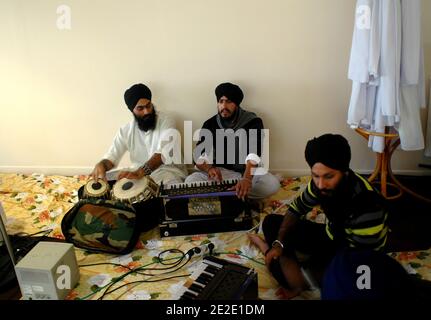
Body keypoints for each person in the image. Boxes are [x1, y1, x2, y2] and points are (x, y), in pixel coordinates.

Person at [248, 133, 388, 298]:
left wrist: (306, 276)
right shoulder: (319, 185)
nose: (321, 184)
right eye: (315, 176)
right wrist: (279, 243)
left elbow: (361, 261)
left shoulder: (367, 206)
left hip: (356, 256)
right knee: (271, 222)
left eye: (329, 176)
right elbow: (296, 208)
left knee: (295, 278)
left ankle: (270, 253)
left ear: (344, 172)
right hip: (331, 235)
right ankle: (280, 257)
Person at [185, 82, 280, 200]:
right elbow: (198, 155)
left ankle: (227, 194)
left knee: (272, 184)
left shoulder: (252, 121)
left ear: (237, 104)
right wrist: (209, 169)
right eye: (221, 101)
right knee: (190, 181)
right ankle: (236, 195)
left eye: (229, 102)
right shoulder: (210, 124)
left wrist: (246, 179)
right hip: (222, 174)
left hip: (247, 172)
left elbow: (254, 154)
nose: (224, 106)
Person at [90, 83, 187, 185]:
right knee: (102, 182)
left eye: (148, 106)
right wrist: (102, 165)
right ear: (132, 111)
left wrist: (141, 172)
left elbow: (162, 154)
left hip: (167, 171)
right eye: (140, 108)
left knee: (170, 187)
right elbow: (111, 158)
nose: (146, 111)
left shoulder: (166, 121)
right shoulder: (125, 131)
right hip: (136, 172)